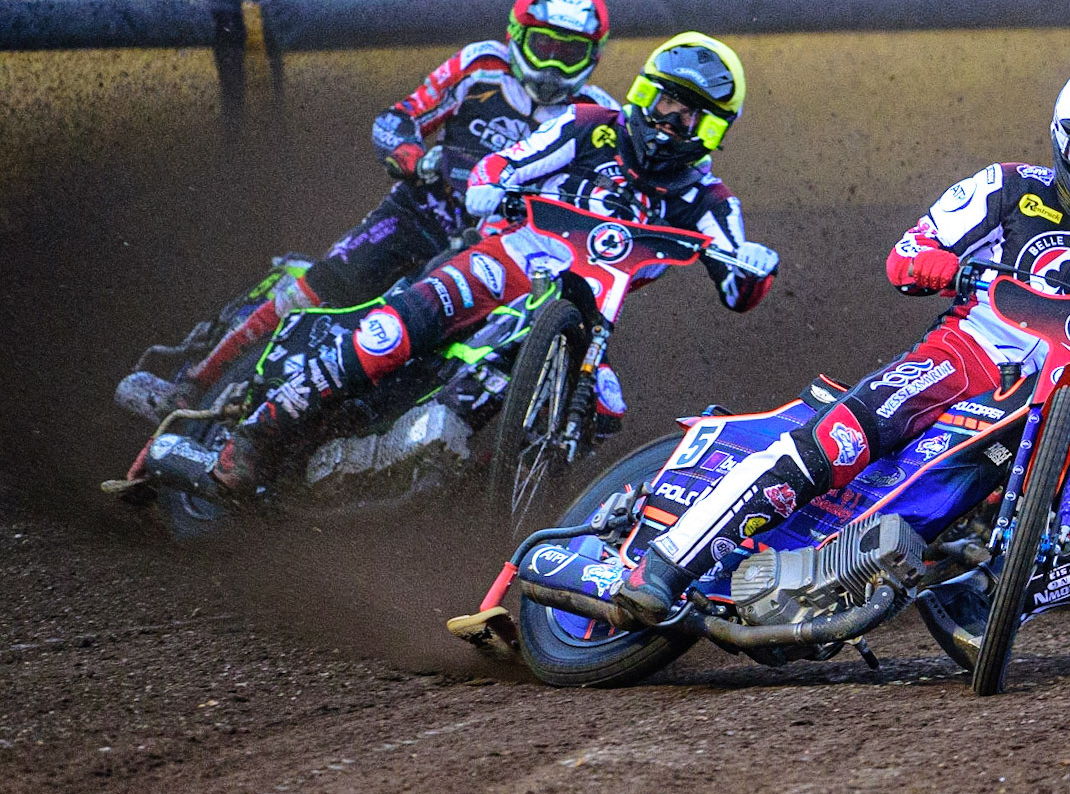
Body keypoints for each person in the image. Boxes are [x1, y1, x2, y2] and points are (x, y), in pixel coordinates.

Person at [611, 57, 1070, 668]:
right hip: (961, 359)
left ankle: (986, 586)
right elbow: (911, 249)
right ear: (1064, 141)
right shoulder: (1009, 187)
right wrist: (935, 263)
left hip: (1068, 408)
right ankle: (669, 561)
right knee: (833, 443)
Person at [141, 33, 780, 497]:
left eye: (689, 112)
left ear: (712, 126)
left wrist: (754, 265)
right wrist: (490, 180)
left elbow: (738, 287)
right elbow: (512, 161)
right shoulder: (590, 126)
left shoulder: (708, 198)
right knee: (387, 333)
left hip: (584, 315)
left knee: (604, 406)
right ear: (644, 94)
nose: (671, 120)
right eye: (665, 101)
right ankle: (250, 439)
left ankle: (474, 497)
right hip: (507, 260)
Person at [123, 0, 617, 419]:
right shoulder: (480, 68)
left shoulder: (600, 117)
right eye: (544, 46)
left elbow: (614, 200)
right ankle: (192, 384)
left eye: (569, 53)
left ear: (592, 56)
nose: (553, 66)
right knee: (320, 286)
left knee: (481, 350)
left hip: (504, 248)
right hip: (425, 210)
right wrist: (414, 158)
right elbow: (398, 118)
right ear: (516, 36)